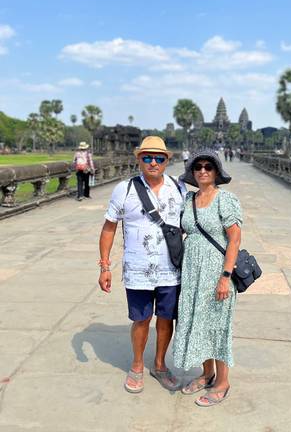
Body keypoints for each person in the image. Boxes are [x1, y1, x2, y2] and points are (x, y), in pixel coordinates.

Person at [98, 136, 187, 394]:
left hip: (171, 270)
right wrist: (105, 266)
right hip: (137, 271)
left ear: (167, 161)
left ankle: (159, 365)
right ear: (138, 159)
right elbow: (108, 228)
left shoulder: (178, 188)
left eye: (159, 158)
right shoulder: (124, 189)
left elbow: (191, 223)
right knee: (141, 319)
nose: (153, 162)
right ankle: (137, 364)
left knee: (165, 319)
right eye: (147, 157)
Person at [173, 149, 242, 407]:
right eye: (198, 167)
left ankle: (222, 381)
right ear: (192, 172)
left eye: (208, 167)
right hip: (192, 273)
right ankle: (207, 372)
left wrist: (226, 276)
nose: (203, 171)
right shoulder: (188, 200)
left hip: (216, 273)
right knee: (198, 322)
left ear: (216, 172)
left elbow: (234, 238)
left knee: (217, 325)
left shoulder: (225, 199)